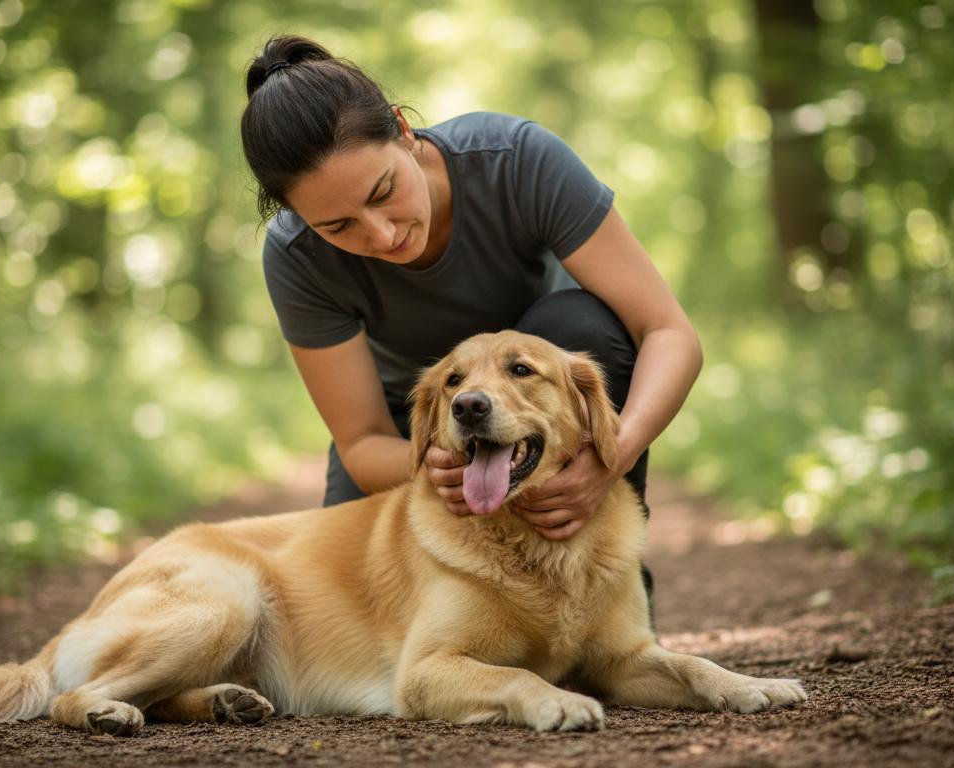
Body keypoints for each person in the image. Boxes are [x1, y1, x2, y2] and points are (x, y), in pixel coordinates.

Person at [240, 35, 702, 561]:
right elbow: (362, 440)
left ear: (404, 130)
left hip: (545, 390)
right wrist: (431, 463)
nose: (383, 236)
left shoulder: (517, 160)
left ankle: (612, 586)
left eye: (383, 192)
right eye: (339, 226)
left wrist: (610, 458)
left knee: (587, 323)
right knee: (337, 597)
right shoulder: (297, 255)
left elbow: (669, 333)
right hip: (414, 428)